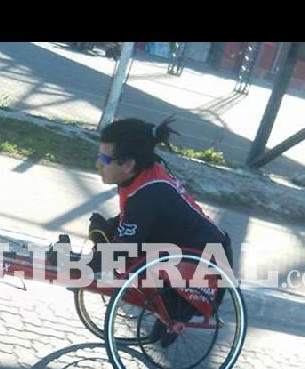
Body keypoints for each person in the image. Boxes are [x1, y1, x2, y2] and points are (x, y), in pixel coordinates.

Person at [87, 117, 234, 346]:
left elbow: (121, 252)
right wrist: (107, 230)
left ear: (128, 164)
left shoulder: (149, 194)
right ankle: (169, 309)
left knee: (114, 260)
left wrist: (78, 267)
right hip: (186, 251)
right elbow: (137, 223)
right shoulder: (145, 172)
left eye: (105, 159)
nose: (97, 163)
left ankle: (177, 312)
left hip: (205, 268)